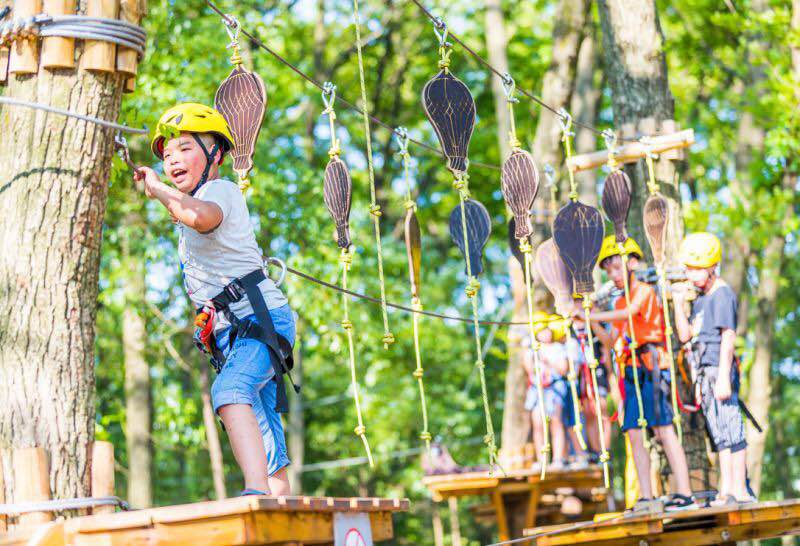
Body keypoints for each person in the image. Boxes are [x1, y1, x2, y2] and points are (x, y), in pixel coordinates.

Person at [135, 103, 295, 496]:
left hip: (260, 319)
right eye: (168, 153)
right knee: (260, 423)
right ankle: (280, 504)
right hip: (235, 329)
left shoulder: (219, 190)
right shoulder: (194, 200)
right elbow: (190, 218)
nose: (173, 159)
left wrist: (158, 190)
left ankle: (256, 493)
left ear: (216, 155)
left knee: (230, 392)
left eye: (185, 148)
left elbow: (202, 218)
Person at [587, 236, 695, 512]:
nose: (613, 276)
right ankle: (646, 496)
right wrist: (586, 319)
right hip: (631, 371)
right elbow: (611, 341)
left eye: (615, 268)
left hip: (652, 367)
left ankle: (684, 492)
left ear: (631, 263)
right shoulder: (619, 301)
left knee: (663, 429)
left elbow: (633, 311)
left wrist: (594, 315)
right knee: (634, 432)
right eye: (608, 271)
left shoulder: (643, 292)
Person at [672, 232, 754, 505]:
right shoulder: (700, 298)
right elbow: (685, 336)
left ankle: (739, 489)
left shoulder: (721, 294)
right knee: (719, 433)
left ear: (711, 266)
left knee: (732, 429)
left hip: (719, 369)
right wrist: (678, 305)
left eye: (695, 269)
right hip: (704, 372)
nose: (690, 274)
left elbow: (728, 336)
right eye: (689, 269)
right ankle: (726, 489)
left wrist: (723, 377)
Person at [523, 312, 569, 469]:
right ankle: (542, 459)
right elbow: (529, 370)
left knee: (556, 423)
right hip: (538, 389)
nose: (545, 333)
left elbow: (564, 369)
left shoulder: (558, 348)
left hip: (554, 388)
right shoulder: (533, 349)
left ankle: (557, 459)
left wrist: (548, 360)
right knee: (538, 424)